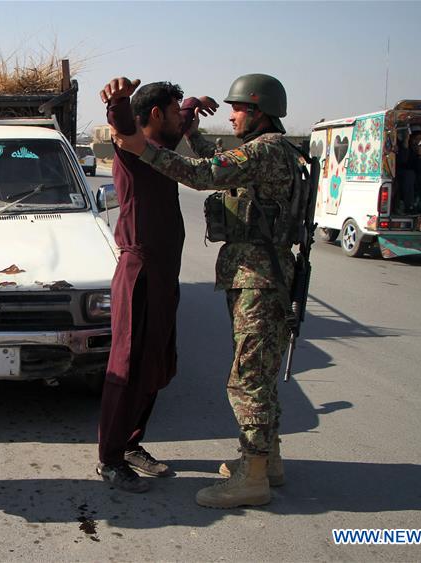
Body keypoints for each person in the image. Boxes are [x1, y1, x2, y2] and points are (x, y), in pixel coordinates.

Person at [111, 73, 298, 508]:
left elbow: (204, 174)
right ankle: (266, 461)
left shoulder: (266, 150)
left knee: (248, 379)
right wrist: (191, 135)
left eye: (238, 110)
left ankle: (253, 477)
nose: (231, 116)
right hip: (266, 274)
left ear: (257, 112)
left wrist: (144, 147)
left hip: (259, 276)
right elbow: (223, 157)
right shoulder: (276, 150)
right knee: (262, 372)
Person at [95, 77, 217, 494]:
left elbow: (178, 123)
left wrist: (193, 105)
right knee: (126, 368)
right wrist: (118, 101)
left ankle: (131, 444)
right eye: (172, 110)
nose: (179, 119)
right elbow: (123, 124)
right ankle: (109, 460)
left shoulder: (162, 149)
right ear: (153, 115)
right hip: (140, 274)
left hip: (164, 276)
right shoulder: (132, 150)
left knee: (155, 365)